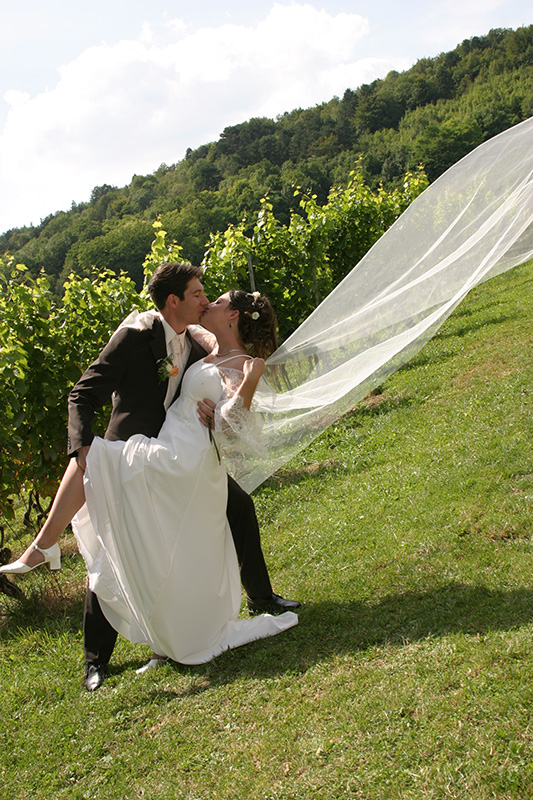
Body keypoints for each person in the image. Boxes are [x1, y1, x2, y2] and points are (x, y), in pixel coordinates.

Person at [0, 263, 300, 690]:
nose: (205, 299)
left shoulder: (199, 343)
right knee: (112, 539)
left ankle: (260, 597)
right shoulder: (138, 334)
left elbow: (226, 396)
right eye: (198, 293)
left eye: (209, 297)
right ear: (173, 301)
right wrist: (81, 445)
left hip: (182, 452)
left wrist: (220, 405)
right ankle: (95, 659)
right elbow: (83, 394)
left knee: (239, 505)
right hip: (140, 445)